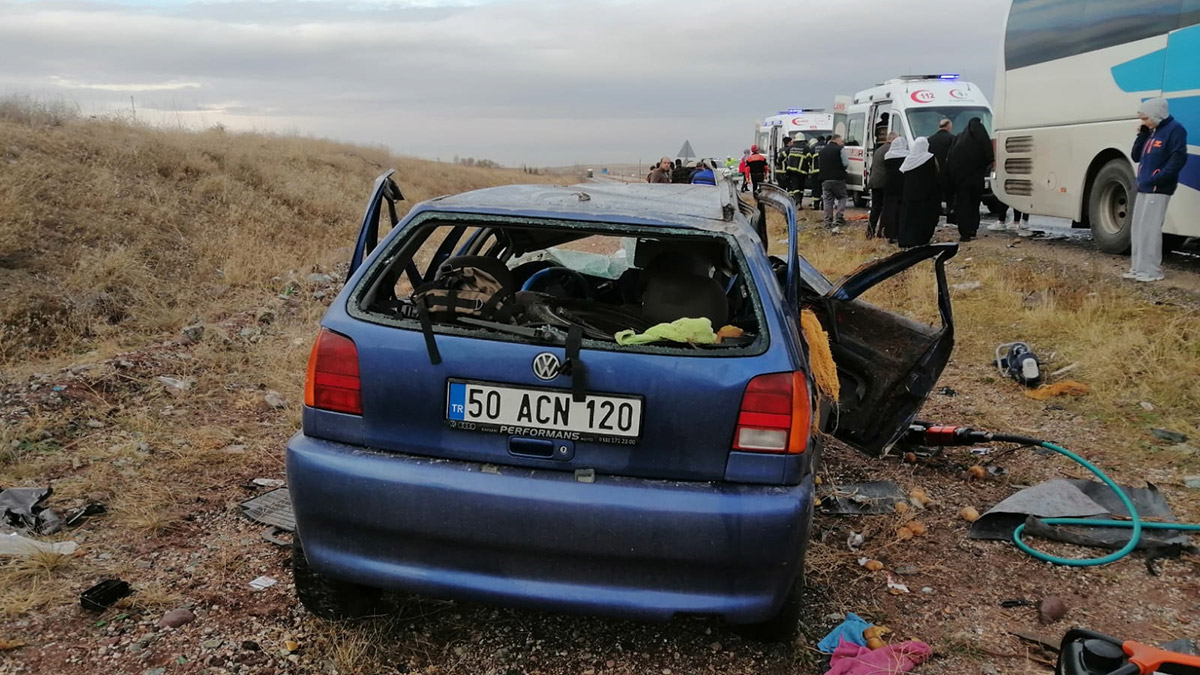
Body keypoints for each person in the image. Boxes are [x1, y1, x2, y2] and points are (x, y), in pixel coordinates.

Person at [1127, 97, 1187, 282]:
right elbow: (1136, 156)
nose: (1144, 122)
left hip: (1158, 188)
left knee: (1150, 229)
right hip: (1144, 187)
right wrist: (1142, 134)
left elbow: (1178, 158)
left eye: (1146, 118)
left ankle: (1152, 271)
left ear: (1157, 115)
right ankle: (1138, 268)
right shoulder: (1152, 132)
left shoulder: (1175, 130)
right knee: (1138, 228)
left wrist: (1158, 178)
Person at [946, 117, 993, 242]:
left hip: (962, 181)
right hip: (977, 179)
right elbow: (989, 155)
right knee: (974, 204)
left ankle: (964, 232)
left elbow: (951, 159)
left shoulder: (960, 140)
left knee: (964, 206)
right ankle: (973, 229)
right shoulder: (981, 140)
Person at [898, 137, 941, 248]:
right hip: (926, 195)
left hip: (909, 194)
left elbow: (902, 174)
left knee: (908, 218)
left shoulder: (909, 159)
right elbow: (936, 173)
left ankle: (906, 239)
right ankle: (921, 239)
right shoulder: (930, 158)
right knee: (923, 218)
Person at [880, 136, 909, 244]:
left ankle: (890, 233)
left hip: (890, 185)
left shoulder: (888, 155)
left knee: (890, 209)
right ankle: (900, 232)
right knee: (902, 210)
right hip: (903, 185)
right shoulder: (907, 155)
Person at [927, 119, 956, 221]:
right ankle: (950, 217)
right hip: (948, 173)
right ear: (948, 126)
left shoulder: (930, 139)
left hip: (934, 172)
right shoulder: (952, 138)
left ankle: (934, 217)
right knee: (950, 197)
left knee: (935, 197)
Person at [867, 132, 895, 238]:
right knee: (885, 208)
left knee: (875, 208)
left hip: (875, 182)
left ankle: (870, 231)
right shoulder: (890, 150)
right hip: (884, 182)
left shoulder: (879, 149)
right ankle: (881, 232)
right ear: (892, 139)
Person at [818, 135, 849, 228]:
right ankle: (839, 217)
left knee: (827, 200)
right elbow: (845, 163)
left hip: (825, 179)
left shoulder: (822, 151)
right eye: (841, 141)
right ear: (838, 140)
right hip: (838, 179)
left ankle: (828, 221)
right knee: (842, 197)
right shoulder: (840, 149)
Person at [785, 136, 808, 203]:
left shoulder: (791, 147)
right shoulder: (806, 148)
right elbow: (809, 158)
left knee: (795, 186)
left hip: (792, 171)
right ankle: (799, 200)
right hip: (802, 171)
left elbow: (782, 155)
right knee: (801, 187)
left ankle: (798, 201)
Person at [807, 137, 826, 210]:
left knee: (816, 189)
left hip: (815, 172)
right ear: (824, 140)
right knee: (825, 189)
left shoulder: (813, 148)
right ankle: (824, 205)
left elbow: (808, 157)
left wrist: (811, 166)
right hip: (825, 172)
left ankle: (816, 205)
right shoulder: (826, 147)